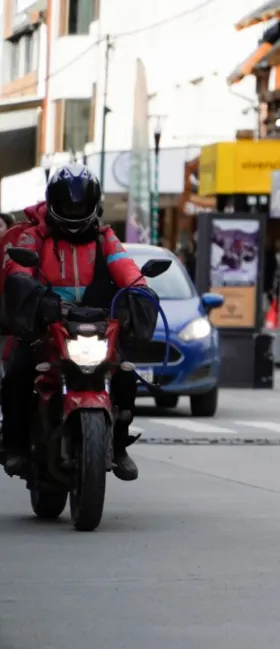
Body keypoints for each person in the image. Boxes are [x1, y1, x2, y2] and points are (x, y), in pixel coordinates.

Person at [0, 164, 158, 480]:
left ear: (92, 204)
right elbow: (18, 273)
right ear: (54, 202)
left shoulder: (104, 238)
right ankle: (14, 445)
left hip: (96, 326)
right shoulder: (34, 236)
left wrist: (139, 291)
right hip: (45, 325)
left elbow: (125, 267)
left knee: (125, 374)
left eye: (80, 205)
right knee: (18, 372)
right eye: (68, 204)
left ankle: (118, 445)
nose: (74, 210)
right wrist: (35, 297)